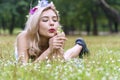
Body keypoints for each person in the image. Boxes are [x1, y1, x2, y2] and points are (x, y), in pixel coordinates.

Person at [15, 0, 89, 64]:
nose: (52, 23)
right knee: (66, 58)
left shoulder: (59, 35)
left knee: (66, 59)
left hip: (49, 59)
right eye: (45, 20)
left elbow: (57, 63)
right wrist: (50, 50)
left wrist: (53, 49)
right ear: (35, 24)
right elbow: (23, 69)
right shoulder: (24, 37)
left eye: (54, 20)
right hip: (23, 54)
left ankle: (80, 45)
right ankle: (80, 45)